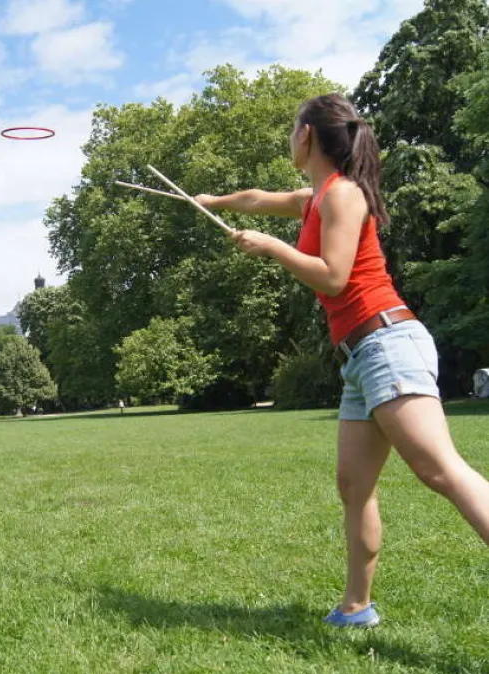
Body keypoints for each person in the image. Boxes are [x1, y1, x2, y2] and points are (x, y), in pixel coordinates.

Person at [195, 93, 489, 628]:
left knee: (440, 470)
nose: (289, 138)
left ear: (307, 134)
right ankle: (356, 608)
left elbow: (333, 276)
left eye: (292, 128)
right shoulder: (314, 198)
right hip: (359, 355)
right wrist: (214, 201)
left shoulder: (345, 195)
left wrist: (274, 248)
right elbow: (257, 198)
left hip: (387, 342)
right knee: (354, 487)